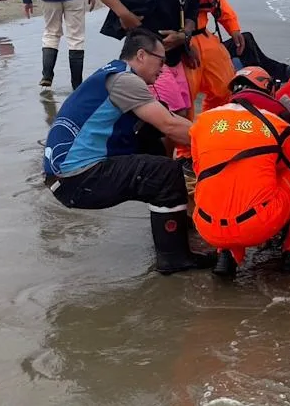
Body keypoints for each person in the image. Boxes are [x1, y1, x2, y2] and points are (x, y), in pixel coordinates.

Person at [43, 28, 214, 275]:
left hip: (62, 176)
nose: (163, 68)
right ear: (142, 55)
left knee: (152, 141)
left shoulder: (112, 73)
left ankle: (175, 215)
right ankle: (174, 258)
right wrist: (222, 141)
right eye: (161, 61)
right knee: (166, 173)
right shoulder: (126, 81)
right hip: (77, 179)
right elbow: (171, 125)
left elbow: (164, 123)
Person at [190, 66, 290, 278]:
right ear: (268, 88)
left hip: (206, 225)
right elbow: (284, 170)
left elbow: (199, 169)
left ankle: (227, 254)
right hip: (257, 225)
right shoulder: (277, 124)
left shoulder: (202, 122)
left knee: (221, 177)